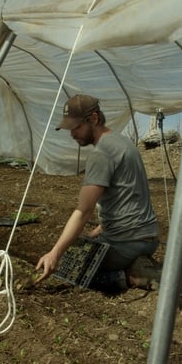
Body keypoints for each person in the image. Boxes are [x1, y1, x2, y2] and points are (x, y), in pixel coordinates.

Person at [35, 94, 160, 290]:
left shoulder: (101, 153)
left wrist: (55, 253)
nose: (72, 134)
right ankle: (136, 261)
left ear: (93, 119)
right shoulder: (123, 143)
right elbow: (128, 194)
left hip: (126, 243)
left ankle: (130, 276)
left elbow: (83, 211)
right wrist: (102, 228)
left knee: (72, 266)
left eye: (76, 127)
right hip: (149, 238)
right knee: (82, 244)